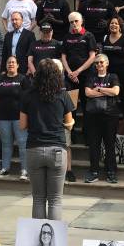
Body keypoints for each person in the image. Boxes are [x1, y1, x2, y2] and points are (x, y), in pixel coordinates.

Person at [20, 58, 74, 220]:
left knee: (38, 199)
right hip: (57, 147)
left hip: (34, 147)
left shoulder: (27, 95)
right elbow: (69, 124)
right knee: (55, 200)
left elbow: (22, 125)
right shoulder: (63, 95)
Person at [84, 53, 121, 183]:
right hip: (93, 116)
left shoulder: (113, 76)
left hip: (110, 115)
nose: (99, 65)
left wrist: (98, 89)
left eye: (101, 62)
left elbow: (116, 92)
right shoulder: (91, 77)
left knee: (109, 144)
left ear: (107, 63)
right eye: (97, 63)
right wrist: (106, 91)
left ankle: (111, 171)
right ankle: (94, 171)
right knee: (94, 144)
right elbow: (87, 93)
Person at [0, 56, 30, 180]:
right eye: (9, 62)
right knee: (6, 144)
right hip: (3, 117)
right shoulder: (0, 79)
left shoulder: (23, 79)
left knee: (22, 143)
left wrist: (28, 115)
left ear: (18, 65)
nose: (11, 64)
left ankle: (25, 170)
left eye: (13, 62)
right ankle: (5, 168)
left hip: (19, 117)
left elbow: (28, 99)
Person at [61, 12, 97, 115]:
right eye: (71, 22)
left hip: (86, 76)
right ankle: (72, 130)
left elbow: (92, 57)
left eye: (76, 21)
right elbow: (63, 57)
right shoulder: (67, 37)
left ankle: (87, 130)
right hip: (71, 77)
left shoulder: (88, 36)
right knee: (71, 105)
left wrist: (78, 71)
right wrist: (70, 73)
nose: (74, 24)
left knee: (86, 104)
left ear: (81, 21)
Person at [101, 16, 124, 111]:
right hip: (108, 72)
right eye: (111, 23)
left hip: (123, 72)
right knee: (109, 94)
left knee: (123, 95)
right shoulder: (105, 38)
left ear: (120, 26)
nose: (113, 25)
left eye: (116, 23)